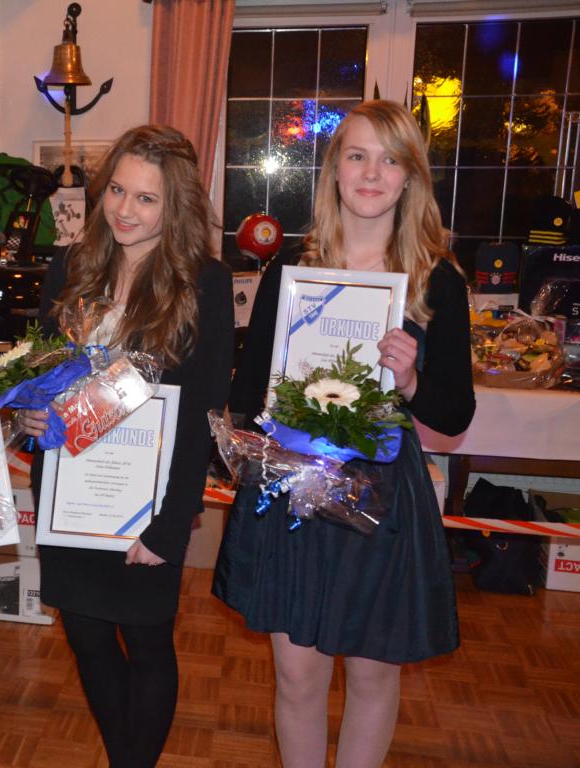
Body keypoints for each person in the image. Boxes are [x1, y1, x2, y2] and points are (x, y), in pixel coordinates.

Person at [212, 100, 475, 768]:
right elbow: (247, 400)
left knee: (371, 673)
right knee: (298, 675)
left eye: (390, 159)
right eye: (357, 155)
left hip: (382, 498)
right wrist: (255, 438)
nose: (371, 172)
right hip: (294, 491)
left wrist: (411, 382)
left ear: (410, 176)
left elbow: (455, 414)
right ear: (334, 170)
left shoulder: (438, 280)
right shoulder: (292, 273)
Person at [19, 124, 234, 767]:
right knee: (84, 638)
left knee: (146, 645)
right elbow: (38, 370)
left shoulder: (205, 282)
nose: (124, 209)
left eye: (146, 198)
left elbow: (200, 412)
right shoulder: (69, 266)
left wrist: (169, 527)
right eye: (117, 189)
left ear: (176, 208)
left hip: (146, 507)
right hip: (70, 496)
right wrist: (30, 413)